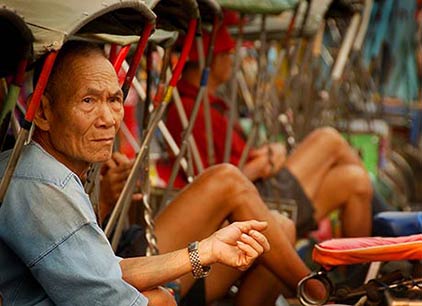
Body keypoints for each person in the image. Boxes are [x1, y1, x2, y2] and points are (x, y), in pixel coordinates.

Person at [0, 41, 272, 306]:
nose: (108, 119)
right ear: (44, 113)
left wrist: (206, 251)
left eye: (114, 99)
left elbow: (106, 268)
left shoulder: (44, 170)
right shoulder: (44, 182)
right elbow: (106, 295)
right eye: (88, 101)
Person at [160, 23, 373, 239]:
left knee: (356, 181)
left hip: (261, 185)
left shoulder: (209, 104)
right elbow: (211, 183)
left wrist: (265, 156)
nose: (232, 61)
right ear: (211, 60)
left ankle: (371, 259)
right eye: (227, 55)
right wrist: (262, 164)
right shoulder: (189, 109)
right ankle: (388, 231)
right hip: (251, 195)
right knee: (328, 139)